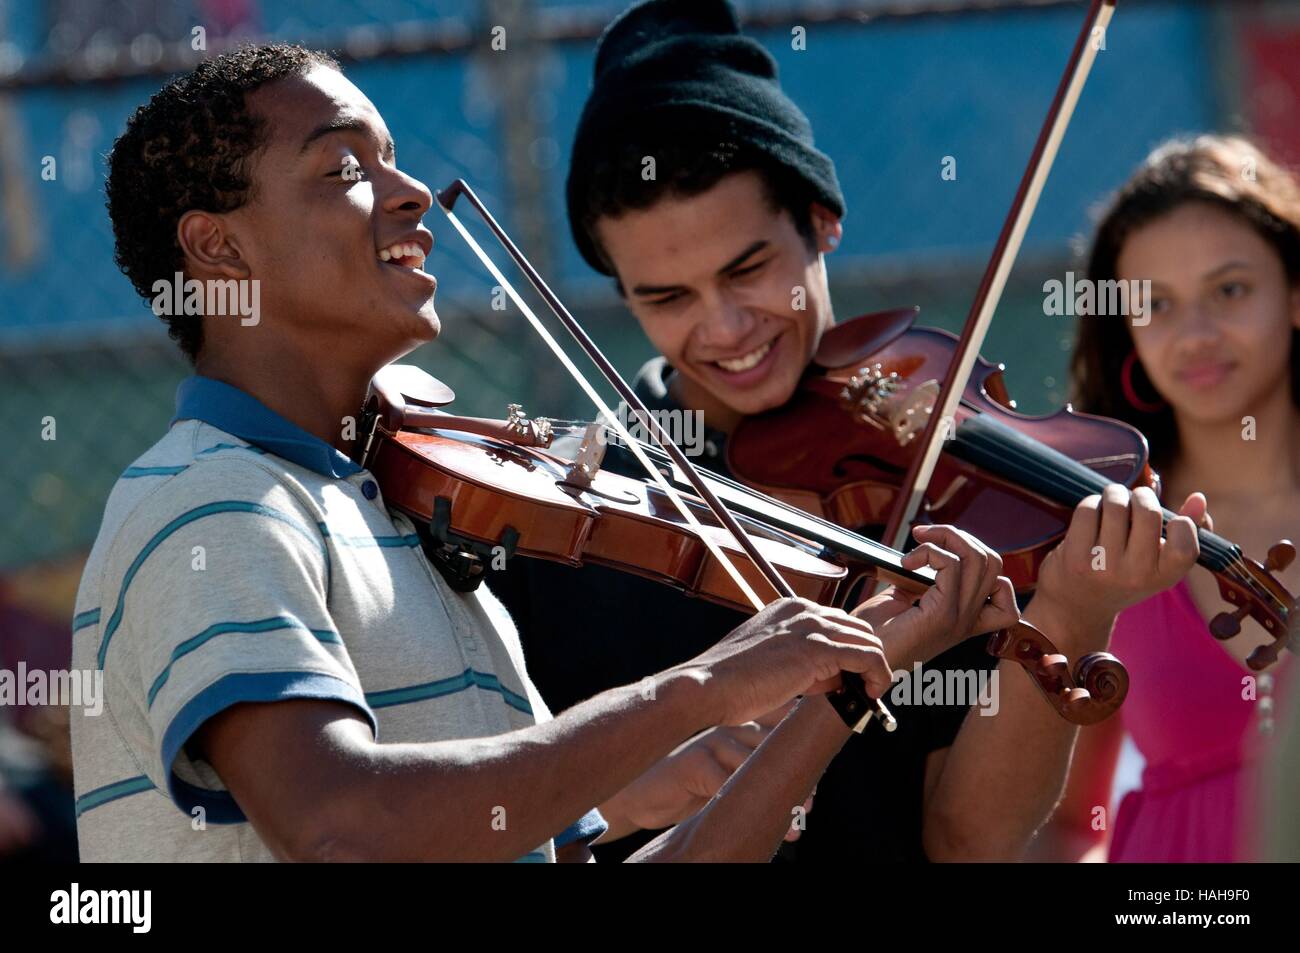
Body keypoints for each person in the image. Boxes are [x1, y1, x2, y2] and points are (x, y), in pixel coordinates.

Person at [69, 42, 1017, 863]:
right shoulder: (212, 501)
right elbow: (340, 828)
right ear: (217, 250)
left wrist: (843, 680)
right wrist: (697, 689)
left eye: (394, 159)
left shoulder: (407, 520)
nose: (408, 195)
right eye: (344, 170)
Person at [491, 0, 1206, 862]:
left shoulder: (939, 484)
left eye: (748, 270)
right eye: (666, 297)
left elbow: (969, 838)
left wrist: (1072, 608)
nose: (723, 329)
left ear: (824, 221)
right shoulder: (570, 517)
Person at [1037, 134, 1300, 862]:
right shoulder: (1103, 529)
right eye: (1156, 303)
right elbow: (1059, 824)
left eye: (1231, 289)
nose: (1196, 335)